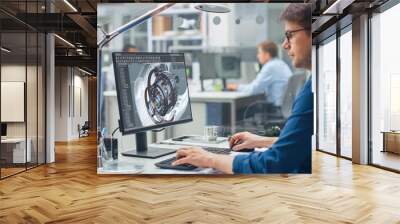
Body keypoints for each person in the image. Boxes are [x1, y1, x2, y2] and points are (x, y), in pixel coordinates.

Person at [173, 3, 313, 174]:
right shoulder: (314, 81)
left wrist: (209, 158)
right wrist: (260, 140)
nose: (285, 44)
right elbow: (298, 145)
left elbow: (275, 162)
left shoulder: (311, 90)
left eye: (289, 35)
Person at [228, 41, 292, 108]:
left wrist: (236, 87)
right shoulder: (281, 63)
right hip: (286, 107)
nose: (257, 56)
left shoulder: (270, 67)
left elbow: (253, 89)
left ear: (267, 55)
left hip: (276, 108)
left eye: (259, 53)